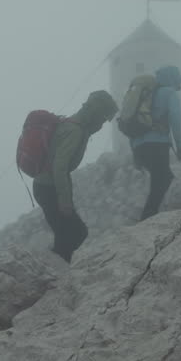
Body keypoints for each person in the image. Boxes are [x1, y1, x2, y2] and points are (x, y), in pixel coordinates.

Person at [33, 90, 119, 262]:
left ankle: (57, 268)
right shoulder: (76, 130)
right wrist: (64, 201)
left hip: (45, 186)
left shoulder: (71, 123)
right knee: (77, 232)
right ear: (95, 113)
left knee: (64, 233)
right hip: (50, 188)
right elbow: (60, 166)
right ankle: (56, 269)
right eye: (103, 118)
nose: (102, 123)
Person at [131, 65, 181, 220]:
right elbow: (175, 119)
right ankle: (148, 216)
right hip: (157, 144)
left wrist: (135, 153)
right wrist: (180, 147)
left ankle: (150, 214)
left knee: (159, 177)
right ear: (173, 79)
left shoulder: (145, 95)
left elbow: (132, 123)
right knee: (164, 177)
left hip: (139, 146)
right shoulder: (169, 93)